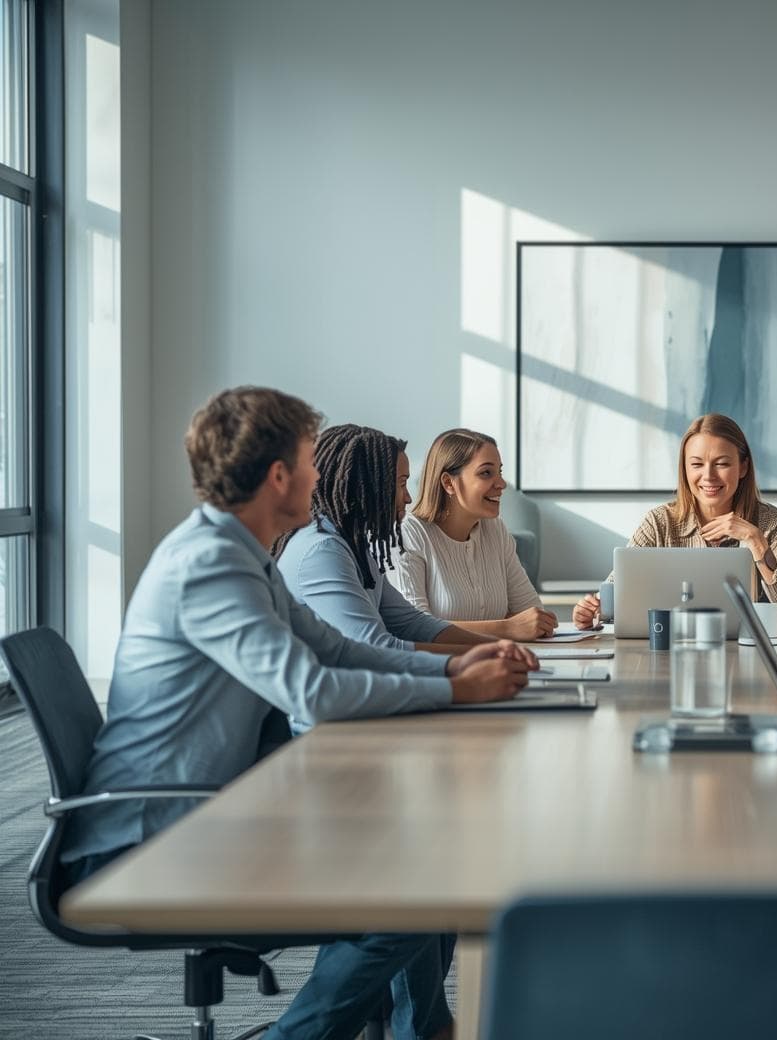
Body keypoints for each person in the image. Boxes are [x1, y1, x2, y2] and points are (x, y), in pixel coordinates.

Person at [62, 387, 536, 1040]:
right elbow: (310, 690)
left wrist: (455, 669)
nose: (320, 479)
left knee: (423, 852)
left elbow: (338, 647)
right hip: (152, 838)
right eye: (312, 462)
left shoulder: (243, 553)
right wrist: (458, 690)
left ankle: (420, 1029)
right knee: (411, 892)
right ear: (281, 475)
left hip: (209, 807)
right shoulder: (209, 565)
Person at [277, 423, 509, 660]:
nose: (408, 498)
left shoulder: (354, 546)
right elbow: (375, 648)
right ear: (366, 487)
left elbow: (409, 622)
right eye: (401, 484)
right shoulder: (323, 551)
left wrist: (495, 647)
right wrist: (481, 655)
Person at [571, 413, 777, 628]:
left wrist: (756, 541)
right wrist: (592, 609)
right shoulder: (659, 522)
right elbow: (615, 594)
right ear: (685, 469)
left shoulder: (774, 523)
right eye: (696, 464)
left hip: (752, 655)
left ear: (743, 467)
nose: (708, 476)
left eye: (722, 463)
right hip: (673, 650)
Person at [396, 428, 558, 641]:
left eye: (499, 472)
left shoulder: (496, 530)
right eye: (486, 473)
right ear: (448, 483)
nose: (501, 484)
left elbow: (532, 613)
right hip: (442, 670)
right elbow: (415, 628)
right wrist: (507, 627)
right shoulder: (410, 534)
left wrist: (528, 622)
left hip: (500, 662)